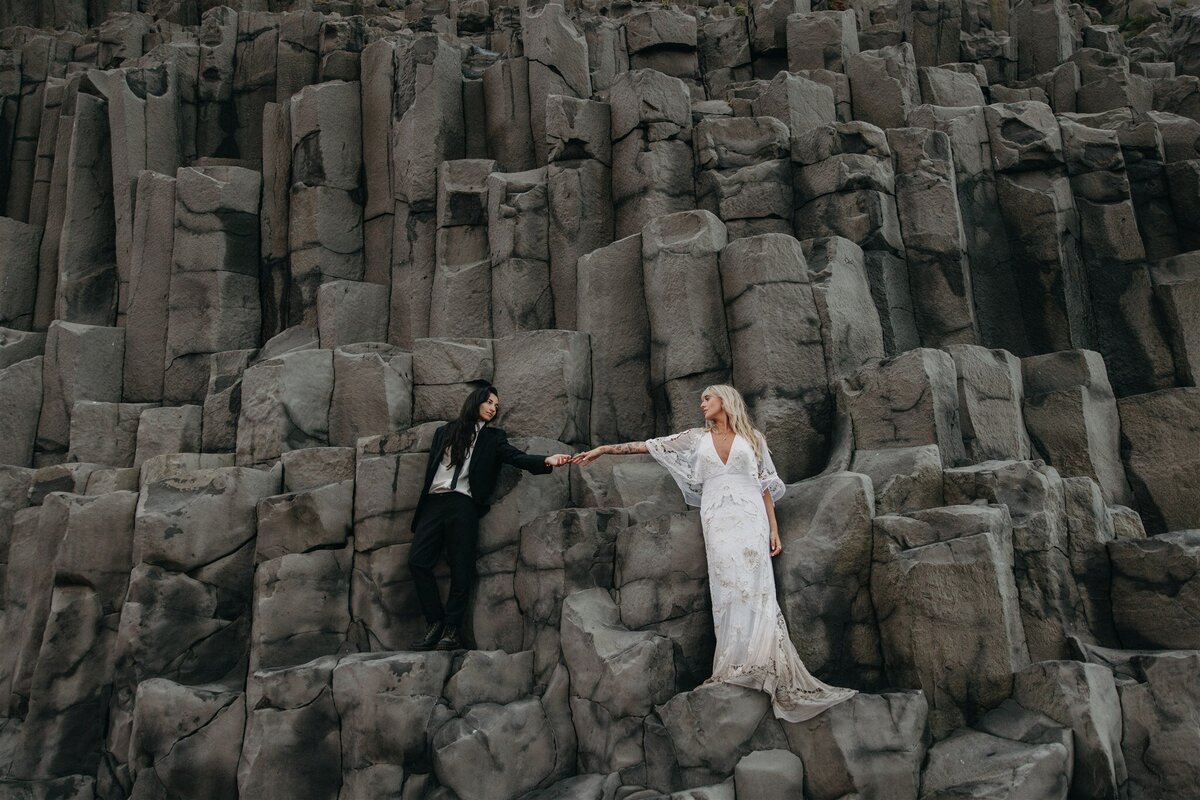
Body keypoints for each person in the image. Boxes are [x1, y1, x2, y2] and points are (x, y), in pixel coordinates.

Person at [572, 384, 857, 722]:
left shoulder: (753, 438)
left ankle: (762, 659)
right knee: (726, 586)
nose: (702, 403)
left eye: (707, 398)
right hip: (717, 518)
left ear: (725, 400)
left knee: (756, 584)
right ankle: (732, 664)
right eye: (701, 399)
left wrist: (774, 528)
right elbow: (649, 446)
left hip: (750, 516)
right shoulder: (696, 439)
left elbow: (764, 486)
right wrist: (604, 449)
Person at [409, 385, 572, 651]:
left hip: (464, 505)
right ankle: (435, 622)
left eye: (496, 405)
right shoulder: (444, 432)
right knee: (417, 562)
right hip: (433, 503)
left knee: (461, 568)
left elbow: (516, 457)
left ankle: (451, 629)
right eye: (489, 401)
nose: (493, 407)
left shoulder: (494, 438)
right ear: (475, 402)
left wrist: (547, 461)